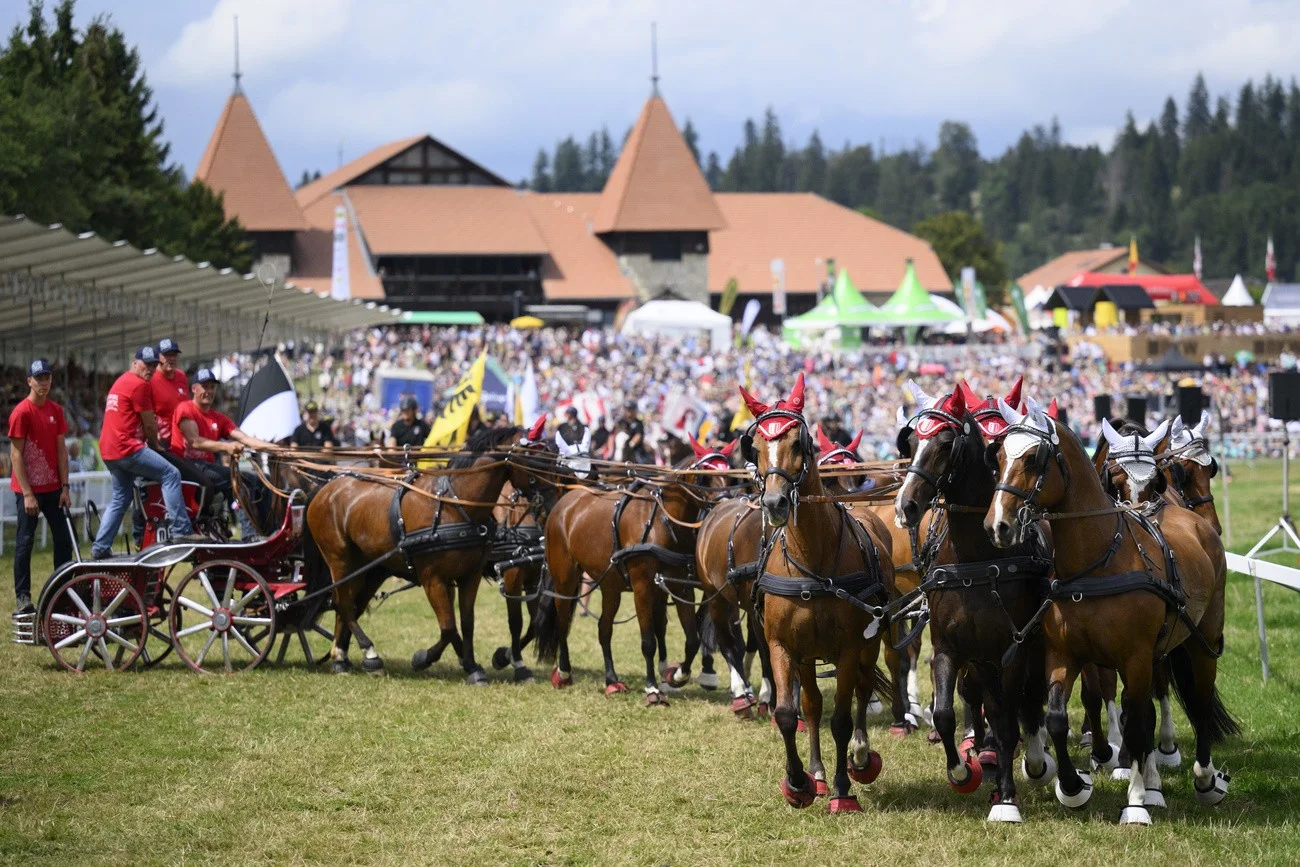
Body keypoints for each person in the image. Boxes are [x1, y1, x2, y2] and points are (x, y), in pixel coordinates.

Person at [91, 347, 201, 559]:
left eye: (153, 365)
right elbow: (149, 425)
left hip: (108, 450)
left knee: (121, 498)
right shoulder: (140, 385)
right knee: (171, 474)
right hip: (127, 447)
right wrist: (156, 445)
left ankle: (100, 547)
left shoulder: (121, 380)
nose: (150, 369)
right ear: (135, 362)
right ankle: (182, 531)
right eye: (146, 364)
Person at [171, 369, 280, 539]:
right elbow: (195, 441)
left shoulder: (218, 418)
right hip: (187, 465)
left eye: (212, 387)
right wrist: (226, 447)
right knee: (243, 479)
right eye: (204, 386)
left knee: (263, 479)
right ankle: (249, 534)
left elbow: (245, 439)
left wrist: (276, 449)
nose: (209, 391)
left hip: (206, 468)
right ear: (194, 389)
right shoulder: (185, 409)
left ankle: (270, 532)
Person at [7, 359, 72, 616]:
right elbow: (15, 456)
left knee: (64, 540)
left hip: (54, 488)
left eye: (47, 377)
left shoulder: (56, 410)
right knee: (25, 543)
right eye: (39, 378)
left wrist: (65, 487)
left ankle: (63, 591)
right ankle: (23, 598)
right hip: (29, 491)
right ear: (29, 381)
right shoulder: (21, 413)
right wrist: (27, 494)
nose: (44, 382)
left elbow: (61, 451)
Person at [150, 338, 189, 444]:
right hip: (162, 439)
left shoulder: (181, 376)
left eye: (174, 355)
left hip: (183, 438)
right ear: (158, 357)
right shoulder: (151, 378)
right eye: (167, 355)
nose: (171, 359)